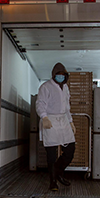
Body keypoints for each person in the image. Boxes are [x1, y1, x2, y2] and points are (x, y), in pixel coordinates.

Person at [36, 62, 76, 191]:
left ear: (66, 76)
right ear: (53, 75)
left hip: (63, 120)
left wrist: (71, 121)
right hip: (50, 120)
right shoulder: (45, 87)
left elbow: (67, 106)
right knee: (51, 154)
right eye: (58, 75)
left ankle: (58, 172)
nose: (61, 77)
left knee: (70, 149)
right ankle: (52, 181)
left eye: (63, 75)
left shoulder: (65, 87)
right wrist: (44, 117)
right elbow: (40, 103)